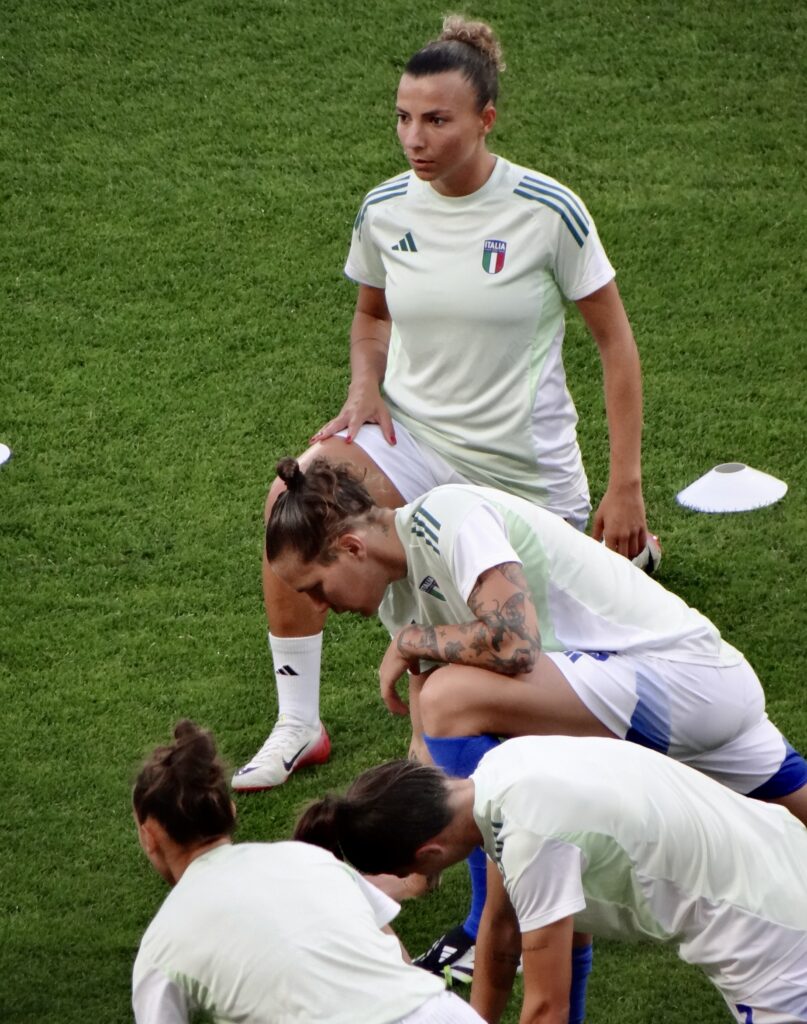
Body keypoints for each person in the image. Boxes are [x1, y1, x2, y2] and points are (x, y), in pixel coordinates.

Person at [235, 13, 652, 794]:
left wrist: (623, 483)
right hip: (415, 444)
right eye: (402, 118)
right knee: (291, 497)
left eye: (435, 120)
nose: (413, 139)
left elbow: (614, 342)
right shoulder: (385, 210)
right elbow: (371, 316)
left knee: (530, 664)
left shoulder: (547, 211)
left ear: (485, 119)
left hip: (523, 474)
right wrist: (363, 388)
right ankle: (298, 722)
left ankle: (620, 551)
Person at [266, 456, 807, 996]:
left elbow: (514, 645)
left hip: (683, 681)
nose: (318, 606)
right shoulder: (399, 592)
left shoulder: (448, 517)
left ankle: (492, 924)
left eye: (315, 587)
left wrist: (411, 643)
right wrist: (412, 857)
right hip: (685, 695)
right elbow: (428, 746)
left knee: (455, 704)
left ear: (352, 548)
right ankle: (533, 902)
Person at [294, 737, 807, 1024]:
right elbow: (501, 931)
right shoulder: (501, 772)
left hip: (769, 933)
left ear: (429, 854)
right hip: (782, 850)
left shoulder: (529, 840)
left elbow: (546, 1008)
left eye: (415, 874)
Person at [131, 719, 485, 1024]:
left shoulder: (161, 943)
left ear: (149, 837)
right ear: (231, 811)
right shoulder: (307, 858)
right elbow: (398, 959)